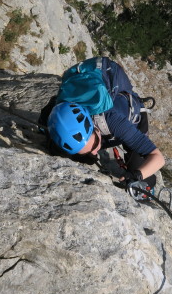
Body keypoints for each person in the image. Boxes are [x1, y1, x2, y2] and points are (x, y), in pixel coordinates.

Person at [42, 57, 165, 197]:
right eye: (90, 150)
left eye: (94, 145)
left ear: (95, 126)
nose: (96, 153)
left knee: (143, 182)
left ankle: (146, 188)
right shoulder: (58, 115)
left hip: (132, 115)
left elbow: (157, 158)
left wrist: (136, 175)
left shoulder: (114, 120)